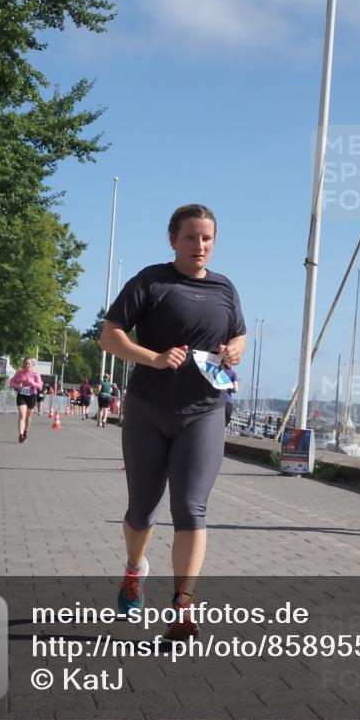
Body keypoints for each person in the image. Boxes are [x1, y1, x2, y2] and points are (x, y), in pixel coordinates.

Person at [99, 203, 245, 641]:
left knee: (191, 509)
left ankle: (183, 606)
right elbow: (110, 335)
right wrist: (155, 358)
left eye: (207, 238)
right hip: (148, 408)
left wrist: (236, 349)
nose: (200, 245)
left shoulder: (225, 288)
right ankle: (133, 570)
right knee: (142, 511)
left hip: (204, 411)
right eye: (191, 237)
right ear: (173, 240)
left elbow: (238, 333)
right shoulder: (151, 281)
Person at [9, 358, 43, 443]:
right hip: (22, 395)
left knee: (28, 416)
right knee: (22, 415)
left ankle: (25, 432)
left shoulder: (36, 374)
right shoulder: (19, 373)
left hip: (32, 395)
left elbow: (40, 387)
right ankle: (20, 435)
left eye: (29, 364)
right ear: (23, 364)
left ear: (32, 365)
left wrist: (32, 382)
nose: (27, 365)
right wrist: (17, 385)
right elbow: (11, 382)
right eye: (26, 364)